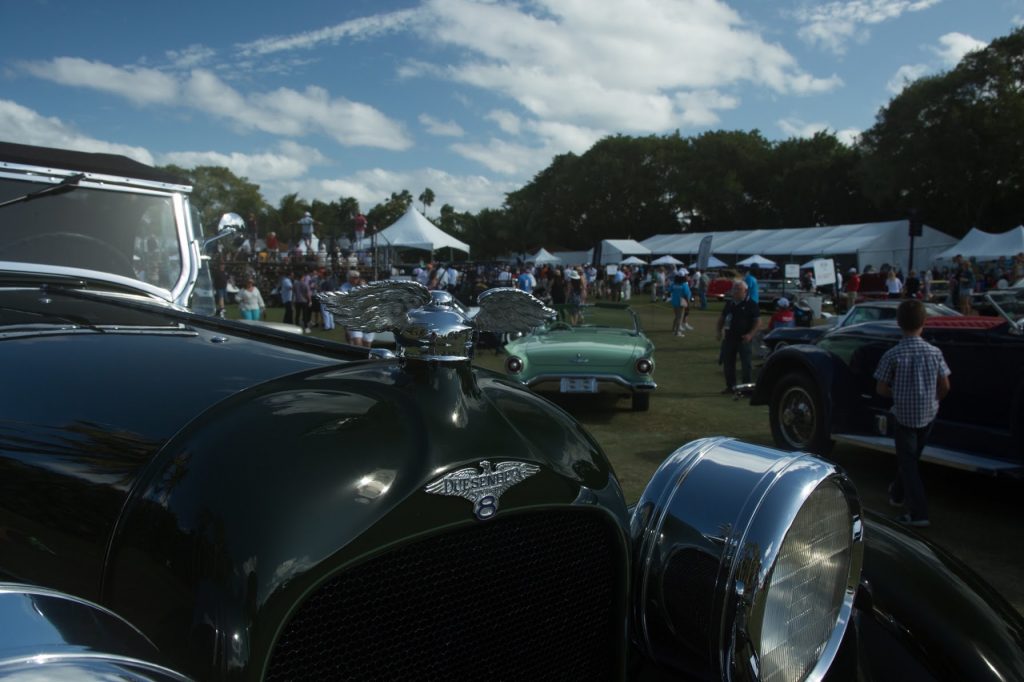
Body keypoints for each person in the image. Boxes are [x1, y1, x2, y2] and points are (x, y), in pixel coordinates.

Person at [874, 299, 951, 528]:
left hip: (904, 417)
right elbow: (945, 385)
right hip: (928, 414)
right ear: (924, 322)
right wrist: (934, 398)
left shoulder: (893, 354)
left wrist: (896, 394)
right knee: (911, 459)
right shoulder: (934, 352)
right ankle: (897, 494)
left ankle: (918, 513)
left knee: (908, 464)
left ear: (898, 323)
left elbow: (881, 387)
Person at [716, 280, 760, 393]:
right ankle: (731, 387)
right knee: (728, 363)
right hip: (730, 338)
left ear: (745, 291)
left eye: (738, 289)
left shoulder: (751, 304)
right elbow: (722, 318)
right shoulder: (730, 303)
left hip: (744, 339)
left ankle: (746, 388)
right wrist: (718, 331)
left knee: (746, 365)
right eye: (734, 289)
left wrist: (750, 334)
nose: (734, 292)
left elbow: (758, 322)